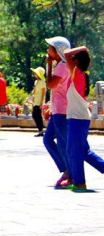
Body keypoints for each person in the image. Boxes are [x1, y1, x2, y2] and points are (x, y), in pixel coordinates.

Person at [63, 46, 104, 191]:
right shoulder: (79, 73)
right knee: (83, 151)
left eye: (73, 59)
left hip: (78, 118)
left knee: (73, 151)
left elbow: (66, 54)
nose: (70, 60)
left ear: (77, 61)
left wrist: (84, 48)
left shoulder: (77, 72)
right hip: (79, 117)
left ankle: (79, 182)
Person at [44, 35, 72, 188]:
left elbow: (50, 85)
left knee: (62, 143)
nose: (48, 51)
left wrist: (49, 66)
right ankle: (66, 170)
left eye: (50, 48)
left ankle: (69, 173)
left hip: (61, 109)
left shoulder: (61, 65)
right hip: (57, 108)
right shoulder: (63, 65)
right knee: (48, 139)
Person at [25, 67, 47, 137]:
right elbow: (34, 91)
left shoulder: (42, 82)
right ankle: (40, 130)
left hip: (39, 101)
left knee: (36, 115)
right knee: (35, 115)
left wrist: (41, 102)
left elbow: (44, 92)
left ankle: (41, 130)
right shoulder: (36, 82)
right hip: (35, 101)